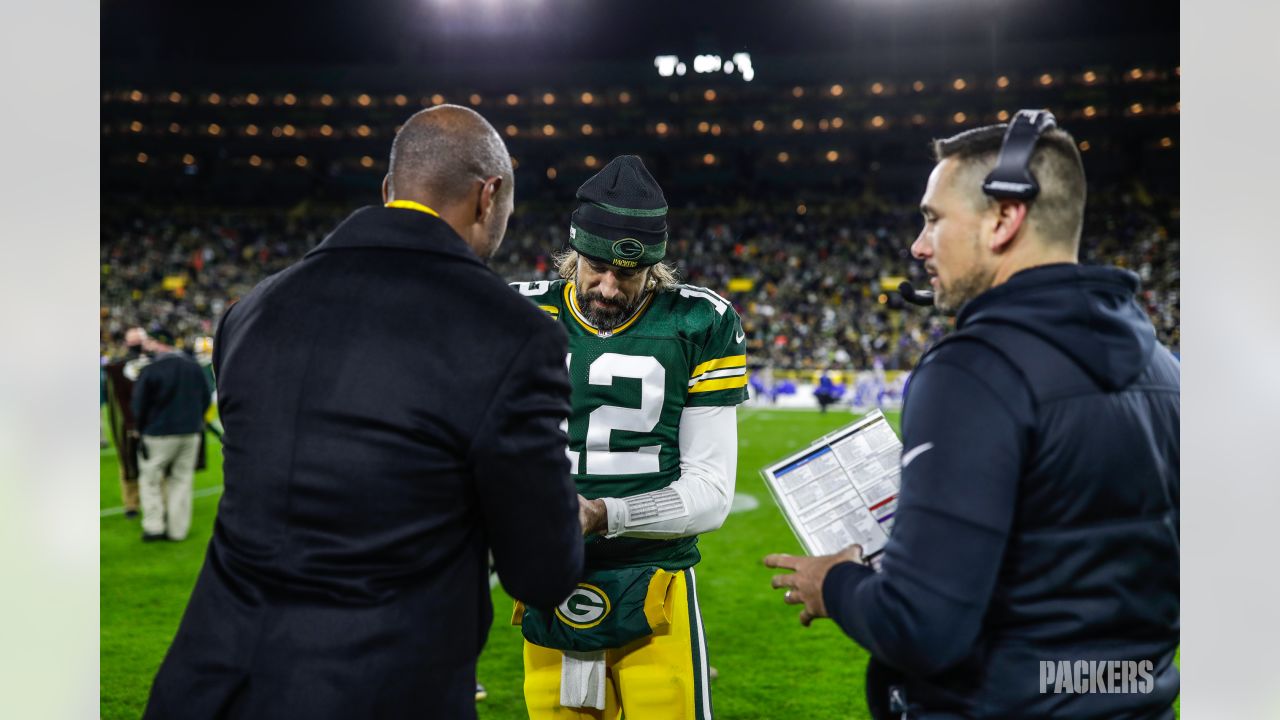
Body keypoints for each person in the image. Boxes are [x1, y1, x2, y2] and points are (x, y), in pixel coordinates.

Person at [145, 105, 584, 720]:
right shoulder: (512, 334)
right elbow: (540, 574)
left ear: (388, 191)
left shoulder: (251, 311)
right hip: (374, 690)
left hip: (206, 686)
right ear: (490, 196)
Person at [765, 118, 1180, 718]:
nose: (918, 245)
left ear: (1004, 219)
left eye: (933, 219)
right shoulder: (1166, 374)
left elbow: (921, 625)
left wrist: (833, 584)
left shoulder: (975, 371)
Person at [512, 155, 747, 720]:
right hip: (550, 578)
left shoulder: (699, 323)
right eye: (596, 266)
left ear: (657, 266)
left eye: (631, 272)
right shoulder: (519, 312)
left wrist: (603, 514)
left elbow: (712, 494)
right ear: (573, 251)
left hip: (656, 581)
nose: (610, 288)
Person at [131, 328, 212, 541]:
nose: (147, 346)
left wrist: (139, 428)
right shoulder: (194, 368)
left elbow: (138, 405)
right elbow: (206, 398)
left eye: (149, 342)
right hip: (190, 433)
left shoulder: (151, 370)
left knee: (150, 480)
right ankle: (178, 530)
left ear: (158, 343)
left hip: (158, 434)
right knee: (182, 481)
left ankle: (154, 527)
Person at [102, 326, 151, 518]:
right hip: (128, 422)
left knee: (154, 465)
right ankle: (131, 504)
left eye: (137, 341)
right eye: (132, 342)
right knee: (127, 464)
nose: (135, 346)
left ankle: (151, 501)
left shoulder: (151, 364)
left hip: (151, 422)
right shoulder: (118, 368)